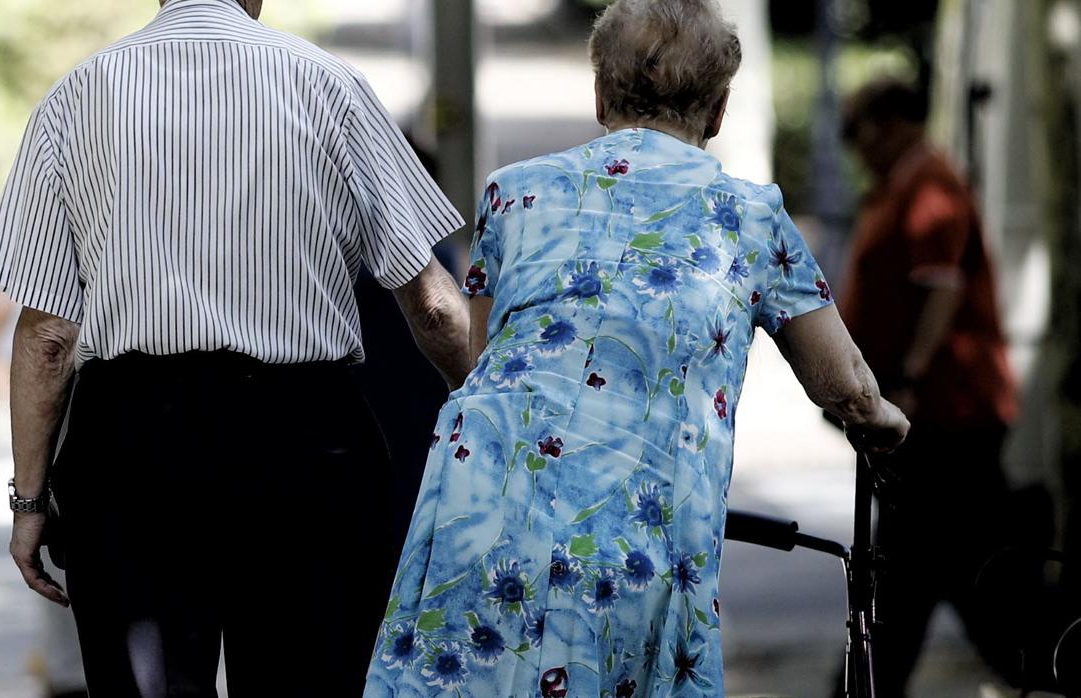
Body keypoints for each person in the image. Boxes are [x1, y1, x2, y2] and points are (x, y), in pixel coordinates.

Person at [363, 1, 909, 695]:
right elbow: (846, 387)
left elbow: (480, 355)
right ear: (717, 112)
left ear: (599, 95)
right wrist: (882, 421)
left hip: (482, 509)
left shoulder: (514, 195)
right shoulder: (748, 216)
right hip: (637, 535)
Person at [0, 0, 470, 695]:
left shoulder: (76, 97)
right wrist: (481, 410)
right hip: (306, 441)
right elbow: (432, 303)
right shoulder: (329, 84)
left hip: (132, 449)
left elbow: (50, 335)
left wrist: (29, 503)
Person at [840, 77, 1021, 694]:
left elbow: (941, 288)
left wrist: (907, 379)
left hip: (948, 416)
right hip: (930, 419)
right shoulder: (903, 187)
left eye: (855, 131)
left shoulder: (930, 188)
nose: (852, 148)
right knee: (929, 573)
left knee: (945, 573)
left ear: (891, 124)